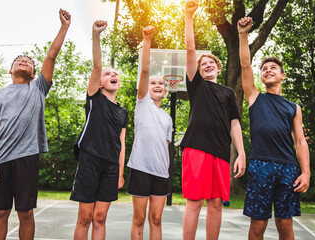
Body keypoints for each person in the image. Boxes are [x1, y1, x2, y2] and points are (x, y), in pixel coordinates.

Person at [0, 9, 71, 240]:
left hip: (27, 158)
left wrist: (64, 27)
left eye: (29, 61)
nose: (24, 60)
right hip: (1, 160)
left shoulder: (38, 89)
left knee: (25, 212)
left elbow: (51, 56)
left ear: (33, 73)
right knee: (1, 211)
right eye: (19, 60)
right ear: (10, 70)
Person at [238, 17, 310, 240]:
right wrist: (243, 35)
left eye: (273, 68)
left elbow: (300, 142)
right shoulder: (254, 97)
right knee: (258, 225)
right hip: (261, 165)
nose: (268, 70)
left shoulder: (293, 107)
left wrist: (305, 172)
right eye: (265, 69)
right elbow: (245, 65)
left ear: (282, 75)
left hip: (287, 168)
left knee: (285, 224)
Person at [182, 1, 246, 239]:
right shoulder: (196, 86)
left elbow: (234, 124)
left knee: (217, 203)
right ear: (198, 71)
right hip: (196, 147)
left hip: (220, 151)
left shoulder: (228, 93)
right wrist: (189, 17)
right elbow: (190, 49)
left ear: (218, 68)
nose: (207, 65)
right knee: (194, 203)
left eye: (211, 63)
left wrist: (241, 152)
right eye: (203, 64)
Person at [70, 20, 128, 240]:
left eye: (115, 73)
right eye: (107, 74)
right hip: (90, 160)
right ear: (100, 83)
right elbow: (96, 66)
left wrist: (121, 172)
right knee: (85, 217)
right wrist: (96, 35)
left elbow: (121, 144)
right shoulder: (94, 98)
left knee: (101, 217)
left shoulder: (123, 113)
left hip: (111, 166)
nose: (112, 75)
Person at [127, 26, 173, 240]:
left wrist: (166, 170)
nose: (156, 85)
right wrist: (147, 41)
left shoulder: (167, 118)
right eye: (153, 83)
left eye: (160, 84)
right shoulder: (142, 103)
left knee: (156, 219)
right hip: (141, 169)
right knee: (139, 219)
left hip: (161, 174)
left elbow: (164, 146)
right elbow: (145, 71)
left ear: (165, 90)